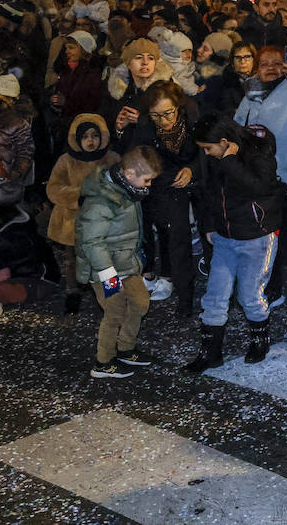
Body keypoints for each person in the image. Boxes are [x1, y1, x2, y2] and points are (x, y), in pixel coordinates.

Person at [185, 115, 286, 373]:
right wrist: (208, 224)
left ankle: (259, 339)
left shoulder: (257, 154)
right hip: (225, 237)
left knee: (250, 295)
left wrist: (229, 160)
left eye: (209, 148)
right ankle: (211, 351)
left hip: (257, 237)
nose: (206, 154)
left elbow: (256, 187)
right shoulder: (213, 159)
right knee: (215, 295)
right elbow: (208, 193)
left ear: (224, 142)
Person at [236, 47, 287, 316]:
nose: (271, 67)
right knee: (267, 239)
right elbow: (239, 125)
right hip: (263, 181)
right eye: (264, 63)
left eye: (276, 63)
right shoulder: (252, 92)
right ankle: (273, 287)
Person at [76, 145, 162, 378]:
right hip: (106, 271)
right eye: (147, 180)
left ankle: (125, 347)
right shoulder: (101, 201)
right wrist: (107, 273)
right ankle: (103, 362)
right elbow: (92, 241)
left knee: (140, 302)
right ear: (130, 174)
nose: (149, 185)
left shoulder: (128, 190)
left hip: (126, 264)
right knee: (114, 312)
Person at [118, 80, 201, 314]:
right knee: (177, 238)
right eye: (157, 116)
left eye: (168, 113)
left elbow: (208, 149)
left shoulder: (194, 115)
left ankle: (222, 289)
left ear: (179, 106)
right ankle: (185, 299)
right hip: (168, 183)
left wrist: (193, 169)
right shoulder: (146, 126)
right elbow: (138, 156)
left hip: (200, 179)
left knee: (211, 235)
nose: (164, 121)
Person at [47, 113, 118, 315]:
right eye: (85, 136)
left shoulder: (111, 158)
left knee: (106, 257)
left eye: (95, 135)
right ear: (77, 138)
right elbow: (53, 188)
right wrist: (77, 196)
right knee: (71, 258)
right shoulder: (66, 160)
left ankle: (111, 292)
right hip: (72, 220)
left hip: (103, 220)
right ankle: (72, 292)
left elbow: (122, 183)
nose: (90, 141)